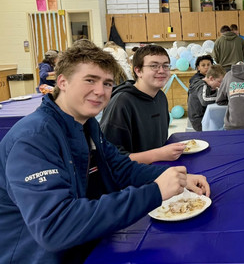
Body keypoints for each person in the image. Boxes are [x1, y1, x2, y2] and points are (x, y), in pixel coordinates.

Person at [0, 43, 210, 263]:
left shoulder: (86, 124)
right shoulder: (33, 139)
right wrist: (155, 192)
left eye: (107, 83)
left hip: (89, 242)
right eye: (90, 80)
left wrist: (179, 180)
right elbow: (55, 227)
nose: (100, 91)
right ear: (62, 82)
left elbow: (119, 168)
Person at [100, 45, 186, 164]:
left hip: (159, 167)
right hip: (132, 177)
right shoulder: (121, 103)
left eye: (165, 66)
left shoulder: (160, 97)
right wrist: (158, 154)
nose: (161, 71)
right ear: (138, 71)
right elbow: (110, 158)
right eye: (154, 66)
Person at [188, 65, 226, 131]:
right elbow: (204, 100)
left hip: (201, 116)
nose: (221, 85)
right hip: (198, 120)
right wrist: (222, 97)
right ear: (211, 78)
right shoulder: (202, 85)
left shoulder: (206, 85)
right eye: (219, 82)